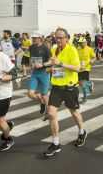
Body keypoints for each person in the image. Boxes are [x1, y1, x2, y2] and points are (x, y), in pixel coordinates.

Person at [44, 28, 87, 158]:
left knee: (74, 112)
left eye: (61, 37)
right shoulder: (54, 49)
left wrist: (61, 63)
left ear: (67, 38)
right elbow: (53, 65)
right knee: (51, 114)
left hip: (69, 87)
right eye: (56, 37)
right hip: (57, 87)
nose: (58, 40)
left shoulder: (72, 50)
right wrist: (48, 68)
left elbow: (77, 68)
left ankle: (82, 131)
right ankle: (55, 143)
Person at [28, 32, 51, 120]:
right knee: (30, 94)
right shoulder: (31, 47)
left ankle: (48, 112)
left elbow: (51, 61)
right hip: (34, 73)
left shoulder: (45, 48)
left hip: (44, 73)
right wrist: (31, 65)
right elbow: (31, 58)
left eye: (35, 38)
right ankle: (41, 102)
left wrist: (43, 65)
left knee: (45, 95)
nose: (33, 39)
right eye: (32, 38)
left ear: (40, 38)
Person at [77, 37, 95, 103]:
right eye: (80, 43)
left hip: (86, 68)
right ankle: (90, 84)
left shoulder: (89, 49)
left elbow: (93, 57)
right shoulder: (77, 49)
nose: (81, 44)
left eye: (82, 43)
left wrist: (92, 61)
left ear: (85, 43)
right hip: (79, 68)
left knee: (83, 84)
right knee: (79, 83)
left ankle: (85, 98)